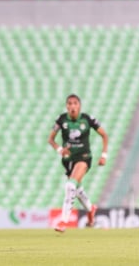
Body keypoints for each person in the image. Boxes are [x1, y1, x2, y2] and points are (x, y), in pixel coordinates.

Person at [48, 94, 108, 233]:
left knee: (70, 185)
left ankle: (64, 221)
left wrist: (104, 155)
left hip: (83, 157)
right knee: (77, 189)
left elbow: (104, 135)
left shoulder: (87, 119)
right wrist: (60, 150)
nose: (72, 106)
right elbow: (51, 139)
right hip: (68, 160)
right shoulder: (61, 120)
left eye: (75, 103)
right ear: (66, 106)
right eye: (69, 103)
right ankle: (91, 209)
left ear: (79, 105)